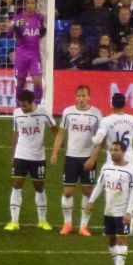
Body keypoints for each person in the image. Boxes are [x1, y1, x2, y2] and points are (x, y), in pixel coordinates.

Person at [83, 141, 133, 265]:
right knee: (111, 240)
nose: (113, 152)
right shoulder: (106, 167)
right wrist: (90, 201)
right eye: (111, 149)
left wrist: (129, 212)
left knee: (122, 239)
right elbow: (100, 185)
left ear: (123, 152)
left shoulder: (132, 170)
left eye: (116, 149)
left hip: (123, 211)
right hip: (109, 210)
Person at [51, 85, 103, 236]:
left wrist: (93, 158)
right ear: (75, 97)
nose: (81, 99)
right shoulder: (68, 112)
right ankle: (67, 224)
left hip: (88, 158)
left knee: (87, 192)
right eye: (79, 96)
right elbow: (61, 134)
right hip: (71, 157)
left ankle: (83, 226)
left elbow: (101, 139)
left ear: (89, 96)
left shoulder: (96, 114)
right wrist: (55, 152)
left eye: (84, 95)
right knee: (67, 192)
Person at [5, 89, 58, 232]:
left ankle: (42, 220)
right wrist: (13, 155)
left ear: (31, 102)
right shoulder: (17, 114)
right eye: (21, 105)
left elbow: (55, 129)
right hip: (21, 155)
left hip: (38, 157)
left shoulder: (43, 112)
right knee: (16, 185)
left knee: (39, 187)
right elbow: (16, 134)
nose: (23, 108)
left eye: (25, 106)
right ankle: (14, 221)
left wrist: (57, 148)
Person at [84, 92, 133, 170]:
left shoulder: (106, 120)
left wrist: (92, 137)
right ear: (124, 104)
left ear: (112, 104)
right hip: (129, 160)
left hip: (112, 160)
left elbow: (98, 140)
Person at [6, 0, 47, 104]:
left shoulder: (40, 17)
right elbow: (8, 35)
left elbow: (42, 33)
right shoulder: (18, 18)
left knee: (38, 81)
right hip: (21, 55)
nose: (30, 5)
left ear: (36, 4)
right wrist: (14, 26)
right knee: (20, 82)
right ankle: (18, 106)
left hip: (34, 55)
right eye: (28, 3)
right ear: (25, 4)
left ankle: (37, 105)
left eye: (32, 3)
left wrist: (44, 27)